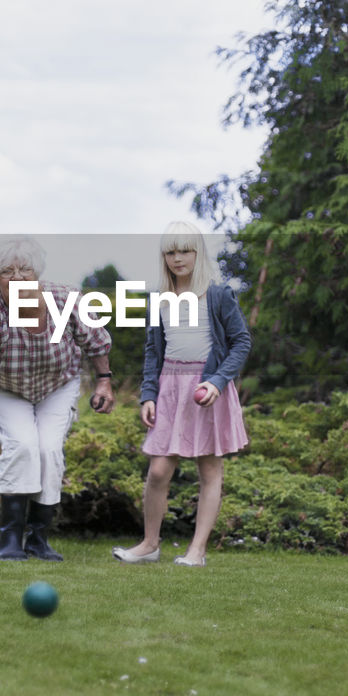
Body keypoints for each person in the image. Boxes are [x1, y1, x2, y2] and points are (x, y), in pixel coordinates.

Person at [0, 236, 114, 561]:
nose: (17, 278)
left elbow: (97, 342)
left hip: (58, 384)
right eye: (6, 271)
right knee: (23, 445)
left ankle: (39, 540)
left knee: (49, 450)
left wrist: (104, 382)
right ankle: (10, 540)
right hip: (4, 385)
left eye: (24, 269)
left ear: (37, 271)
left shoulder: (66, 298)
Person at [112, 222, 250, 567]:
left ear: (197, 253)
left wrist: (217, 382)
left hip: (207, 388)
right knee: (159, 470)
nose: (178, 258)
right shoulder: (159, 298)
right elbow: (152, 353)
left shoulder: (218, 294)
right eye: (171, 252)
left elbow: (241, 342)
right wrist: (148, 395)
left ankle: (197, 551)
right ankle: (149, 544)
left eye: (185, 250)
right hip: (170, 388)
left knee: (209, 471)